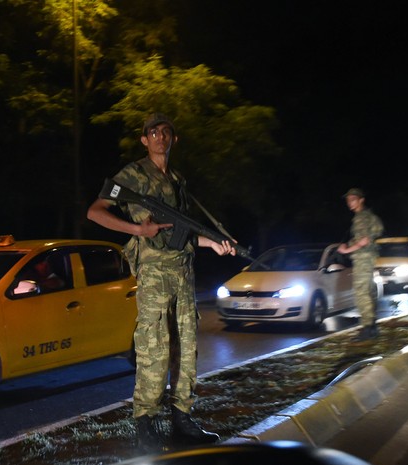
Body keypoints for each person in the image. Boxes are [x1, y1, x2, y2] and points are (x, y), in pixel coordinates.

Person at [87, 112, 236, 452]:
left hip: (183, 273)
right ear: (144, 139)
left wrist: (213, 243)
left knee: (185, 347)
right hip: (154, 275)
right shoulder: (132, 175)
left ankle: (182, 417)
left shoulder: (179, 181)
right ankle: (146, 423)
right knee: (154, 346)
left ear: (174, 139)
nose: (159, 136)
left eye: (165, 131)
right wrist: (138, 229)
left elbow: (181, 236)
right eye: (152, 132)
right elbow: (95, 211)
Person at [337, 188, 384, 341]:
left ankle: (367, 328)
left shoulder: (361, 218)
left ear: (361, 200)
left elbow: (364, 240)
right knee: (369, 292)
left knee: (361, 293)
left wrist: (346, 250)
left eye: (353, 199)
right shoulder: (367, 216)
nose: (349, 203)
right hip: (368, 258)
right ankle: (372, 328)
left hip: (363, 258)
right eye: (348, 200)